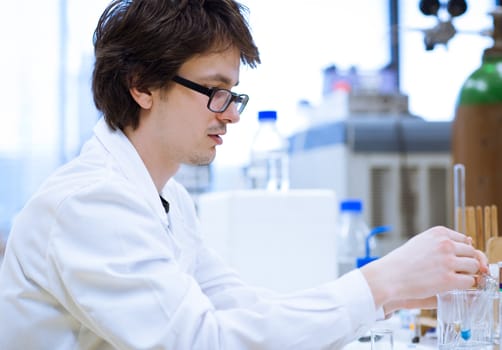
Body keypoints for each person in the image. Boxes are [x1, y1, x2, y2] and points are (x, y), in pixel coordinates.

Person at [0, 0, 488, 349]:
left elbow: (243, 310)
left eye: (233, 93)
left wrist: (392, 295)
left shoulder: (168, 199)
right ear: (142, 85)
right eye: (214, 90)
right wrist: (379, 283)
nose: (231, 114)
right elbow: (201, 342)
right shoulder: (91, 203)